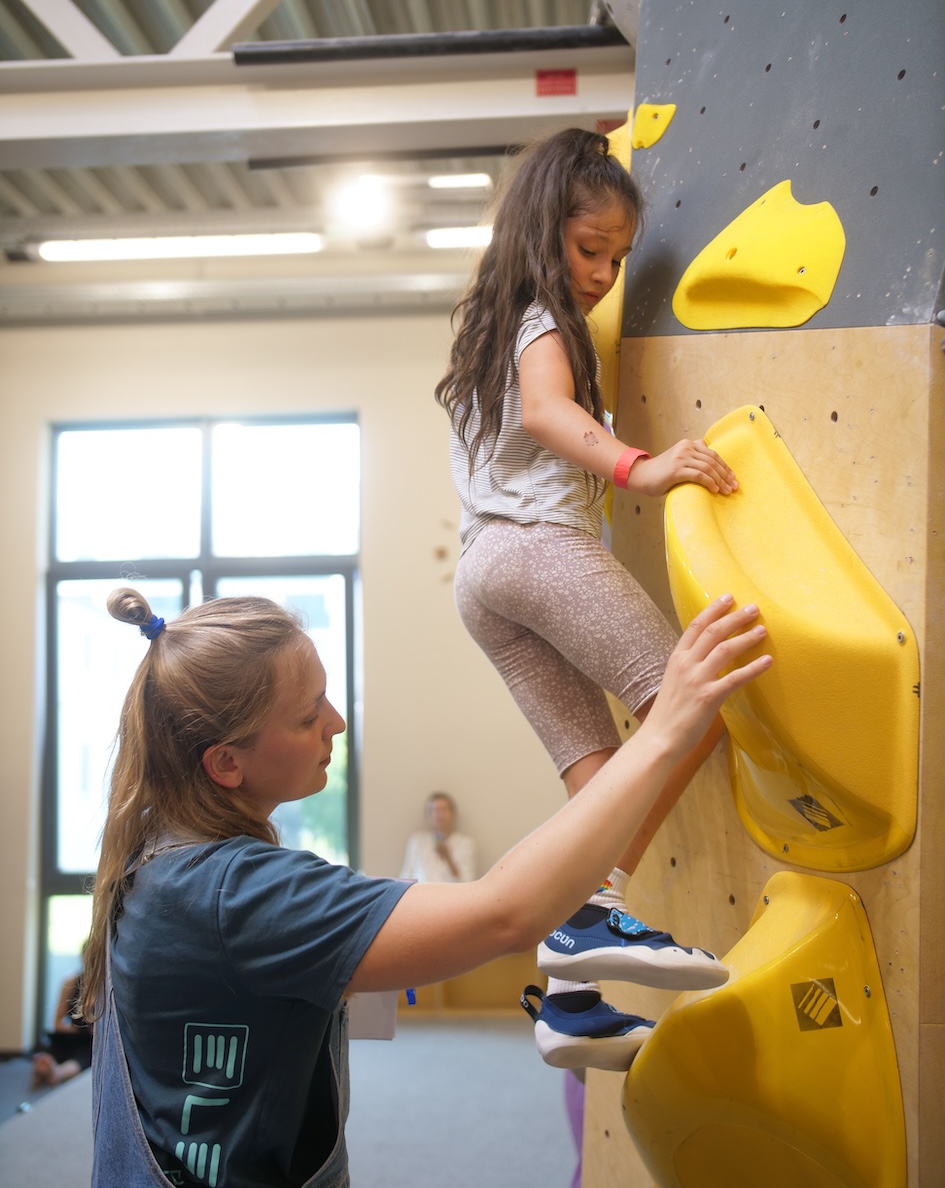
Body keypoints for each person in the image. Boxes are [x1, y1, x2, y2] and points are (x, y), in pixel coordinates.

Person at [82, 585, 769, 1188]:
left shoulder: (157, 855)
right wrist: (662, 732)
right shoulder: (233, 892)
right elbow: (505, 914)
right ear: (226, 762)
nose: (336, 724)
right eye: (307, 715)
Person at [435, 127, 741, 1067]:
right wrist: (639, 465)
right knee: (688, 714)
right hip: (538, 549)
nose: (604, 272)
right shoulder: (539, 323)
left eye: (615, 255)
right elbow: (546, 412)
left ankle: (568, 999)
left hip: (483, 574)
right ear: (541, 234)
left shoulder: (489, 323)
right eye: (588, 249)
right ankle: (581, 918)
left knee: (596, 779)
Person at [31, 948, 93, 1089]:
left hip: (89, 1042)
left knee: (83, 1057)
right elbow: (57, 1023)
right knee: (62, 1051)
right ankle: (47, 1067)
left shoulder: (104, 984)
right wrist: (76, 1030)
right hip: (70, 1035)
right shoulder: (71, 982)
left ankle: (55, 1072)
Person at [400, 791, 477, 883]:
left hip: (451, 895)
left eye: (443, 809)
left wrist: (448, 858)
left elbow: (467, 882)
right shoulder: (417, 841)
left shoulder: (465, 843)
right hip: (420, 894)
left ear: (453, 813)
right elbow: (406, 875)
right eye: (433, 810)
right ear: (427, 815)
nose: (439, 814)